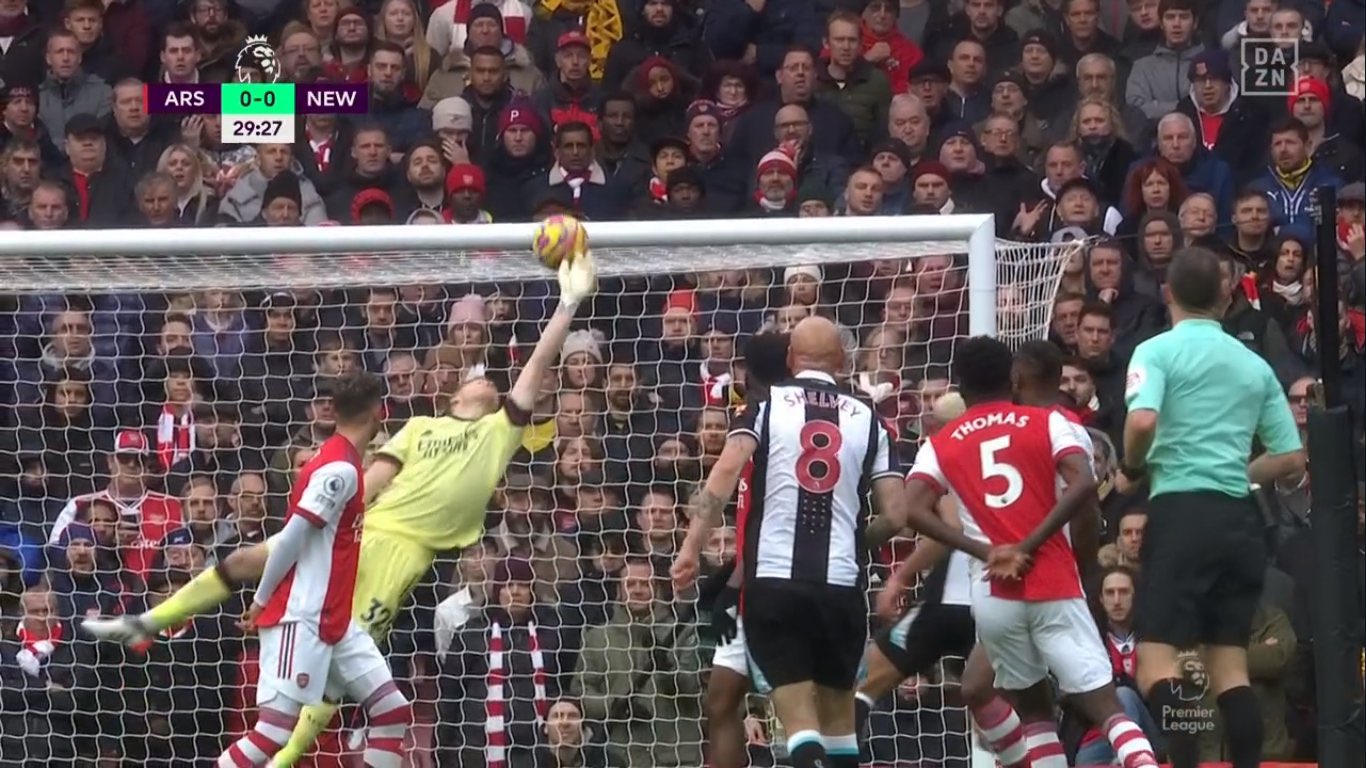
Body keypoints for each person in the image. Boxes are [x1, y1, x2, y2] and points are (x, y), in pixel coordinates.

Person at [84, 251, 601, 764]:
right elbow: (371, 482)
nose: (485, 379)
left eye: (489, 377)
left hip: (405, 552)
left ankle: (283, 758)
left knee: (340, 674)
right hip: (359, 526)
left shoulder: (501, 431)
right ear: (453, 396)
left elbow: (536, 365)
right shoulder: (420, 428)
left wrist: (568, 303)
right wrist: (334, 510)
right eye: (474, 377)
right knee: (246, 558)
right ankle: (149, 621)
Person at [895, 336, 1159, 768]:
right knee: (1106, 706)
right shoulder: (1047, 422)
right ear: (1011, 377)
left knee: (1034, 712)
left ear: (959, 385)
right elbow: (1084, 485)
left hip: (994, 592)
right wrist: (1029, 546)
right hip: (1053, 579)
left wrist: (986, 551)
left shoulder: (942, 441)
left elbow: (908, 509)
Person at [671, 316, 910, 768]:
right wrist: (852, 543)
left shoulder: (765, 409)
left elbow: (725, 472)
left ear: (790, 358)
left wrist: (690, 547)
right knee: (839, 728)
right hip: (840, 585)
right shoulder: (871, 420)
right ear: (842, 360)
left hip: (775, 583)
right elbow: (897, 515)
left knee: (799, 724)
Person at [1116, 246, 1306, 768]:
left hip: (1180, 512)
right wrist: (1239, 474)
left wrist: (1131, 466)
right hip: (1239, 520)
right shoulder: (1253, 364)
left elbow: (1142, 421)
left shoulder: (1156, 351)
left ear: (1168, 293)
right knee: (1230, 670)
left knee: (1156, 662)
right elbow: (1290, 456)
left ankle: (1185, 759)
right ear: (1225, 296)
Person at [219, 370, 413, 768]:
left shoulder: (343, 462)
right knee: (272, 732)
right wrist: (261, 600)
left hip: (335, 620)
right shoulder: (338, 471)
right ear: (379, 413)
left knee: (392, 710)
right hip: (302, 615)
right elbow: (290, 538)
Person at [698, 331, 791, 768]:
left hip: (780, 579)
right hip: (754, 575)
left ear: (746, 373)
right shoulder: (765, 418)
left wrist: (694, 551)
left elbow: (773, 518)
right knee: (721, 700)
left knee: (793, 704)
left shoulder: (761, 418)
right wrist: (732, 581)